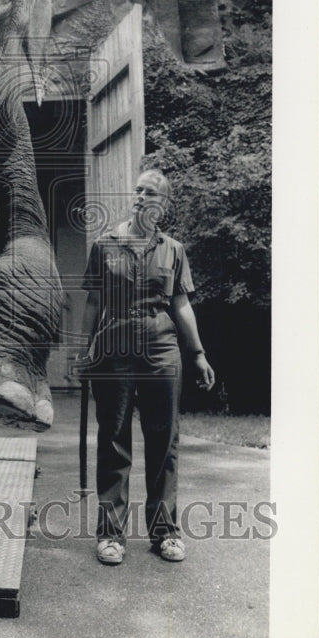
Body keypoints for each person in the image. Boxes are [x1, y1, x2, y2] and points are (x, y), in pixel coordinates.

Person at [77, 169, 215, 565]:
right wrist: (82, 351)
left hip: (161, 349)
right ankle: (110, 536)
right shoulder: (105, 245)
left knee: (164, 440)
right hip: (114, 350)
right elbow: (93, 303)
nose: (140, 196)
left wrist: (198, 353)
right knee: (113, 439)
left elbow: (181, 304)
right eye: (137, 190)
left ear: (163, 205)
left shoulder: (173, 250)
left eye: (150, 192)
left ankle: (165, 533)